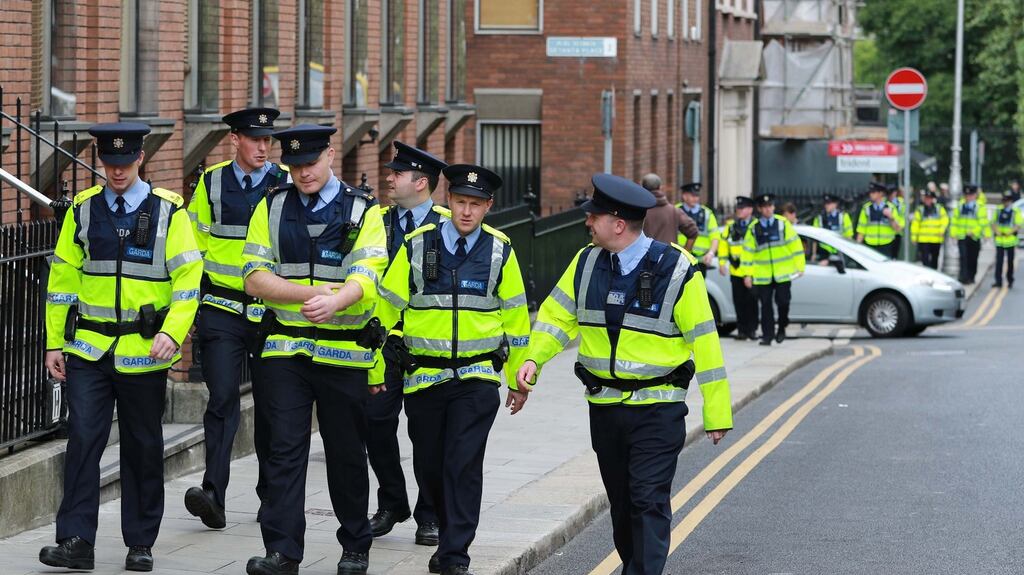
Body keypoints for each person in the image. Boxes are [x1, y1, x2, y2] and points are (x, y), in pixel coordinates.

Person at [516, 173, 732, 575]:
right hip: (605, 408)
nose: (587, 222)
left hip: (658, 409)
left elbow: (706, 344)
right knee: (622, 504)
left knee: (647, 500)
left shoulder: (677, 268)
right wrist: (534, 360)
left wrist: (717, 414)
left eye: (593, 216)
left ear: (617, 223)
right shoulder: (585, 263)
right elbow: (557, 318)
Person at [41, 123, 203, 572]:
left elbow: (189, 280)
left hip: (144, 348)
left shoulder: (170, 212)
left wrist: (173, 331)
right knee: (83, 441)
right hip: (89, 349)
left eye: (124, 163)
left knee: (142, 445)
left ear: (140, 160)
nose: (116, 172)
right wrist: (55, 341)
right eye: (108, 164)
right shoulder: (84, 210)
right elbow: (62, 281)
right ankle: (76, 540)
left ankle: (140, 542)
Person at [242, 125, 389, 575]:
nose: (303, 173)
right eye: (295, 166)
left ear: (330, 156)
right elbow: (252, 275)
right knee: (284, 450)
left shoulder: (364, 211)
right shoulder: (271, 206)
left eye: (310, 163)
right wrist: (306, 294)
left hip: (343, 353)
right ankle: (283, 552)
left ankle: (355, 545)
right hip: (286, 351)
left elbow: (368, 276)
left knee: (345, 452)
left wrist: (337, 300)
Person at [376, 164, 531, 575]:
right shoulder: (416, 244)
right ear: (448, 201)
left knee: (462, 464)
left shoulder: (501, 250)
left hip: (477, 379)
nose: (466, 212)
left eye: (475, 205)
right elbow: (386, 309)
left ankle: (454, 554)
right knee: (430, 466)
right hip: (424, 378)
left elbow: (516, 321)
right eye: (460, 202)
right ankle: (447, 533)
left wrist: (519, 377)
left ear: (488, 207)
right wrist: (375, 368)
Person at [184, 107, 288, 529]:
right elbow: (191, 252)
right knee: (222, 398)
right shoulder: (211, 183)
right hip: (221, 310)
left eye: (268, 140)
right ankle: (214, 495)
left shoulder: (284, 185)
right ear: (235, 141)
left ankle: (270, 497)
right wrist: (189, 308)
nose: (263, 147)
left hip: (272, 314)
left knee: (272, 406)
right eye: (255, 139)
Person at [367, 141, 446, 545]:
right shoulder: (377, 222)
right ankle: (393, 502)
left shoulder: (449, 225)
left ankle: (429, 514)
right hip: (383, 344)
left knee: (426, 436)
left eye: (396, 174)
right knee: (375, 424)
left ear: (420, 182)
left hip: (425, 347)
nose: (389, 179)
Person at [742, 193, 805, 346]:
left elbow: (795, 245)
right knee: (765, 306)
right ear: (759, 209)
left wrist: (800, 266)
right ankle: (767, 335)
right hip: (763, 275)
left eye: (770, 206)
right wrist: (747, 274)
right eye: (764, 207)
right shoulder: (754, 228)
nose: (768, 209)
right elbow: (747, 252)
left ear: (773, 207)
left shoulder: (783, 224)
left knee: (783, 302)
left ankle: (782, 327)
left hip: (783, 273)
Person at [718, 196, 758, 340]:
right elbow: (723, 245)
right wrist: (722, 263)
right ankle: (742, 330)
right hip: (736, 270)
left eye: (742, 208)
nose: (739, 211)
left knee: (752, 302)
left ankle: (752, 330)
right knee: (739, 301)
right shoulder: (731, 226)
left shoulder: (756, 225)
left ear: (750, 209)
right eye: (738, 209)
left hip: (752, 271)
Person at [640, 173, 697, 251]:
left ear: (642, 188)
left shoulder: (638, 210)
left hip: (642, 260)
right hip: (668, 260)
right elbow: (693, 232)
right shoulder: (674, 211)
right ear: (661, 187)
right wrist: (684, 255)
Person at [951, 184, 989, 285]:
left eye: (971, 195)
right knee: (963, 257)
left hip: (974, 237)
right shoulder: (960, 205)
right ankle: (963, 277)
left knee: (973, 258)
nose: (968, 197)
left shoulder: (980, 206)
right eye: (967, 195)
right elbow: (954, 221)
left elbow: (983, 222)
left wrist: (976, 231)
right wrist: (953, 233)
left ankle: (971, 276)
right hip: (962, 236)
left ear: (975, 195)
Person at [676, 182, 719, 272]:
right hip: (679, 259)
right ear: (684, 196)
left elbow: (715, 236)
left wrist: (711, 253)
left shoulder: (707, 213)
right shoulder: (675, 211)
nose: (696, 198)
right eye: (692, 195)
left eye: (697, 196)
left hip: (700, 261)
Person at [856, 181, 904, 258]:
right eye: (870, 192)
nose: (870, 194)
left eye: (873, 192)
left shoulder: (891, 208)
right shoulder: (866, 208)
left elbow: (898, 229)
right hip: (869, 244)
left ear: (880, 193)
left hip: (887, 245)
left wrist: (891, 217)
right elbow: (861, 230)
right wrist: (857, 247)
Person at [910, 189, 949, 270]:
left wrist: (942, 230)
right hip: (923, 240)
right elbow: (915, 224)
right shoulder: (920, 210)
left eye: (929, 198)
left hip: (936, 239)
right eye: (926, 198)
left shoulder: (939, 208)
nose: (927, 200)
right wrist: (914, 237)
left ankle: (934, 275)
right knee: (925, 260)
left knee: (935, 260)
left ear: (932, 199)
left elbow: (945, 219)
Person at [991, 190, 1022, 288]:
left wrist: (1010, 232)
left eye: (1007, 200)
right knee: (999, 262)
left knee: (1010, 262)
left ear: (1011, 201)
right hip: (1000, 240)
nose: (1005, 202)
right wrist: (997, 231)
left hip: (1010, 241)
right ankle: (998, 281)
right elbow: (993, 222)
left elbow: (1018, 224)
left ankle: (1010, 280)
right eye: (1004, 200)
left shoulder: (1015, 211)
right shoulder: (998, 210)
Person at [887, 184, 907, 259]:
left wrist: (900, 226)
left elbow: (903, 215)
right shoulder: (884, 201)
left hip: (897, 232)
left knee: (894, 254)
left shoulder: (900, 203)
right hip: (887, 233)